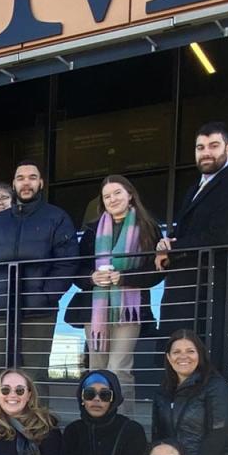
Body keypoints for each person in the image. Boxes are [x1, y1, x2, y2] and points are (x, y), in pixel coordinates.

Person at [0, 162, 79, 395]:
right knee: (2, 378)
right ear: (14, 184)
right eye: (20, 177)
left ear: (40, 183)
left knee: (34, 380)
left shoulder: (57, 217)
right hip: (0, 312)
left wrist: (45, 295)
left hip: (39, 312)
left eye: (32, 177)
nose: (26, 182)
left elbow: (68, 262)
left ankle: (38, 431)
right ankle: (2, 432)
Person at [68, 175, 161, 408]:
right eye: (107, 196)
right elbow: (75, 269)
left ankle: (124, 427)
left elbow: (157, 272)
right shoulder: (92, 231)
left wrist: (125, 277)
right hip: (95, 310)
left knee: (119, 369)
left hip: (129, 311)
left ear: (130, 194)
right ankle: (95, 422)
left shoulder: (148, 228)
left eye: (117, 193)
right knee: (97, 370)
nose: (112, 199)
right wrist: (92, 277)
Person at [154, 122, 228, 330]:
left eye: (213, 146)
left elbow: (224, 235)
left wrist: (173, 248)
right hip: (179, 291)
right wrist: (164, 246)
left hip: (208, 292)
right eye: (200, 147)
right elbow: (183, 231)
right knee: (169, 354)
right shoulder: (193, 189)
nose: (206, 153)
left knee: (202, 356)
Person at [150, 330, 228, 455]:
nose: (183, 356)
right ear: (168, 357)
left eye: (190, 351)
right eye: (177, 352)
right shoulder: (163, 390)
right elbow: (158, 435)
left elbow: (219, 434)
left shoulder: (215, 386)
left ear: (200, 354)